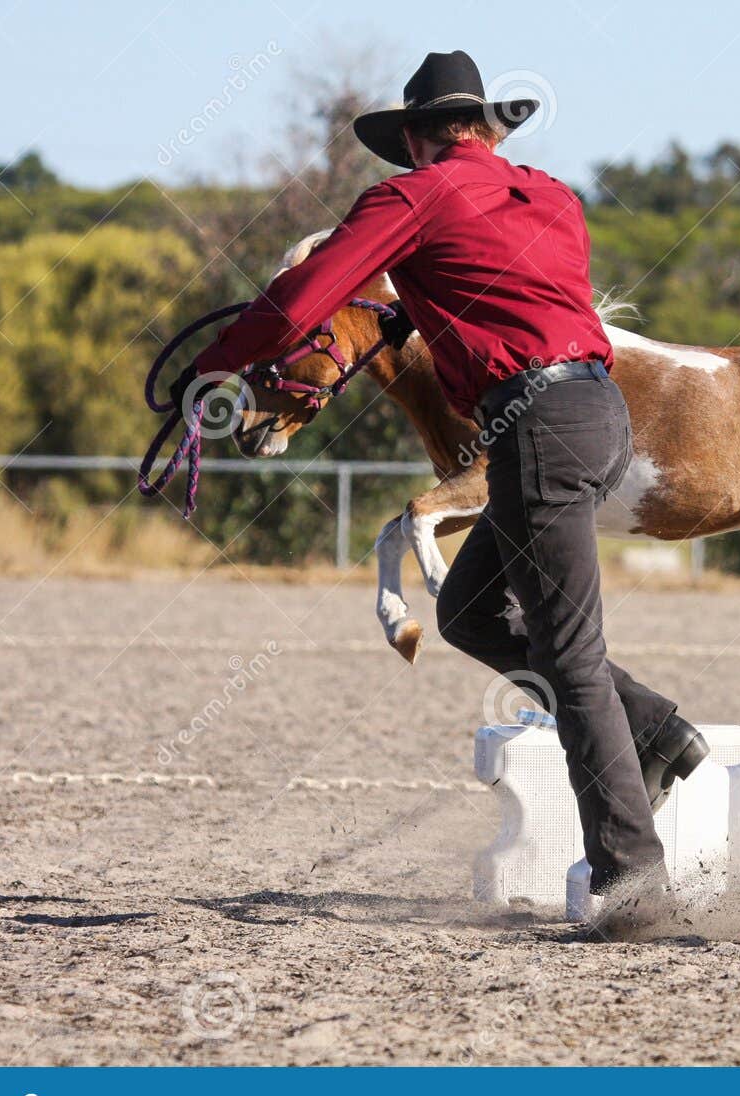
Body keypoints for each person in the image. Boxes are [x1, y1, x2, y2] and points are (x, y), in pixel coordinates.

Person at [181, 50, 707, 907]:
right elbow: (488, 293)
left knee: (570, 656)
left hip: (536, 425)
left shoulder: (412, 197)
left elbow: (301, 300)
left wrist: (217, 362)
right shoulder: (550, 195)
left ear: (416, 140)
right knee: (467, 612)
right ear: (483, 131)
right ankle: (654, 728)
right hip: (601, 413)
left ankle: (634, 878)